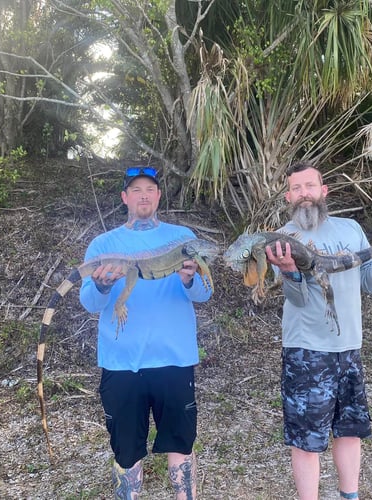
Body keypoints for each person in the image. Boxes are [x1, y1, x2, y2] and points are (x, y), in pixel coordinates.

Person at [264, 161, 372, 500]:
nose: (304, 193)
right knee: (307, 440)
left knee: (349, 432)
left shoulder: (350, 229)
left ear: (324, 191)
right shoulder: (283, 239)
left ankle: (350, 496)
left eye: (310, 186)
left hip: (349, 347)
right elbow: (298, 300)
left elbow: (369, 283)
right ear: (289, 196)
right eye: (296, 188)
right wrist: (290, 272)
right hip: (306, 351)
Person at [79, 166, 212, 500]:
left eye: (150, 189)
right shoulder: (104, 244)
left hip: (174, 360)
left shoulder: (182, 238)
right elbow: (89, 303)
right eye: (135, 189)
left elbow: (205, 293)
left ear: (158, 196)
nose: (143, 195)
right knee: (126, 452)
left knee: (181, 444)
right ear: (125, 197)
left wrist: (189, 278)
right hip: (121, 363)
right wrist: (101, 285)